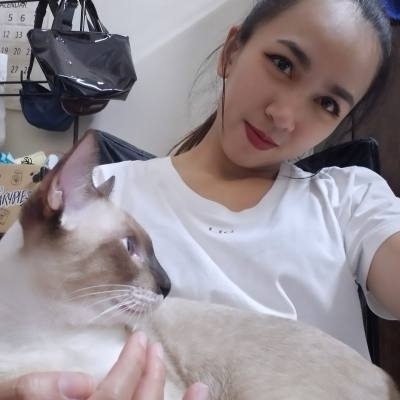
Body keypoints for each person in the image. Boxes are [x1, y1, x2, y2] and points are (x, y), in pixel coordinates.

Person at [0, 0, 398, 398]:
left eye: (328, 104)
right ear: (231, 53)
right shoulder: (98, 198)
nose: (284, 116)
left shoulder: (352, 198)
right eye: (283, 64)